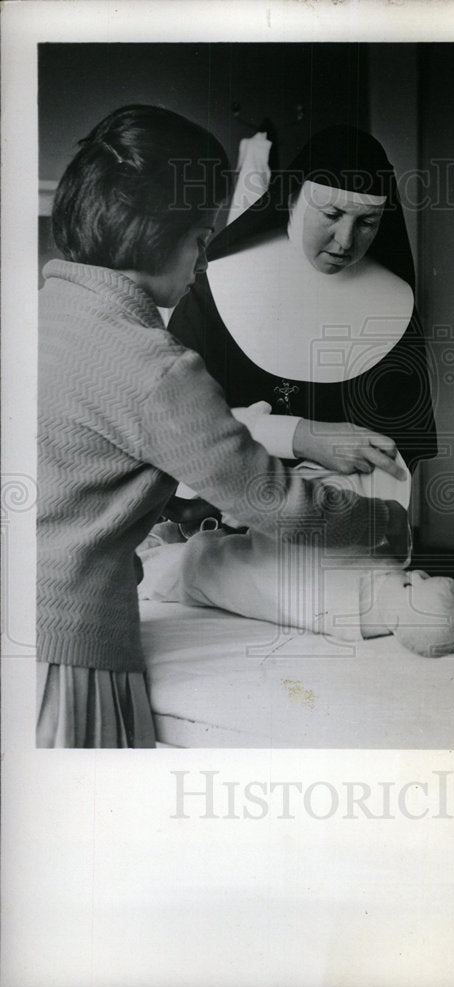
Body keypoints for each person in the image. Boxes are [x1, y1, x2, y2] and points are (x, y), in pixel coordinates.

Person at [37, 105, 409, 749]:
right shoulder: (154, 365)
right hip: (72, 637)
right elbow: (277, 504)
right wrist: (387, 524)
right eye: (201, 233)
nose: (206, 250)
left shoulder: (43, 313)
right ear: (158, 233)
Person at [166, 124, 437, 530]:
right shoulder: (215, 292)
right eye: (331, 214)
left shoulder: (395, 306)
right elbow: (175, 426)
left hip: (339, 530)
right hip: (219, 526)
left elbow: (399, 448)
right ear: (292, 199)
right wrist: (300, 434)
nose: (346, 240)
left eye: (367, 222)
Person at [139, 530, 454, 658]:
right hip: (209, 575)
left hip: (205, 568)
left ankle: (156, 546)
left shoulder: (354, 582)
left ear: (414, 580)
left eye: (420, 579)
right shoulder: (363, 626)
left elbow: (295, 552)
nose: (416, 573)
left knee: (161, 566)